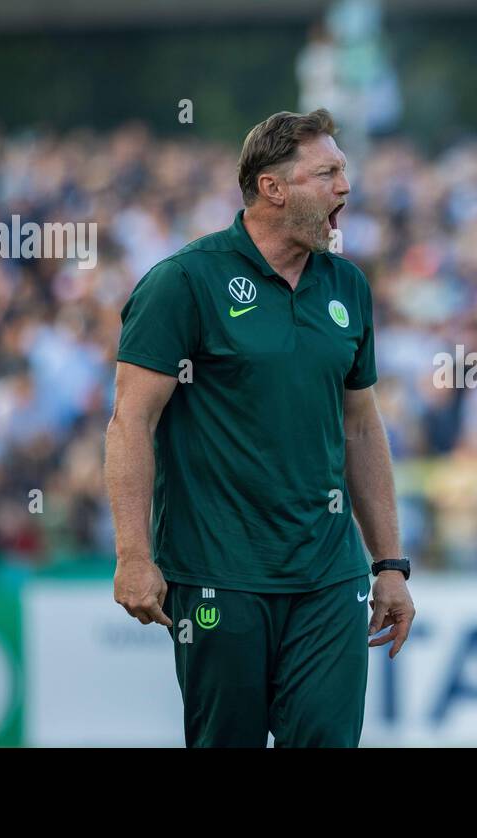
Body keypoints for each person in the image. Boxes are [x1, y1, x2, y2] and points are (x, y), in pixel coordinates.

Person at [104, 108, 414, 747]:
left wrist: (389, 563)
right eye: (327, 173)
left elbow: (360, 427)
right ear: (273, 188)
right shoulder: (184, 282)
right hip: (219, 571)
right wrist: (134, 556)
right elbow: (130, 424)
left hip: (329, 576)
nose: (344, 189)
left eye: (343, 173)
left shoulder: (348, 285)